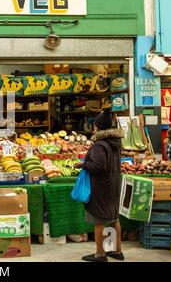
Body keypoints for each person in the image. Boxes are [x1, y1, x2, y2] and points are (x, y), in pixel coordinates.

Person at [77, 108, 125, 262]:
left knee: (99, 220)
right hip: (113, 184)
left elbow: (98, 166)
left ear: (97, 127)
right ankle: (116, 251)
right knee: (113, 217)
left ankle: (100, 254)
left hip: (101, 187)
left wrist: (82, 164)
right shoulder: (115, 142)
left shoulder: (100, 145)